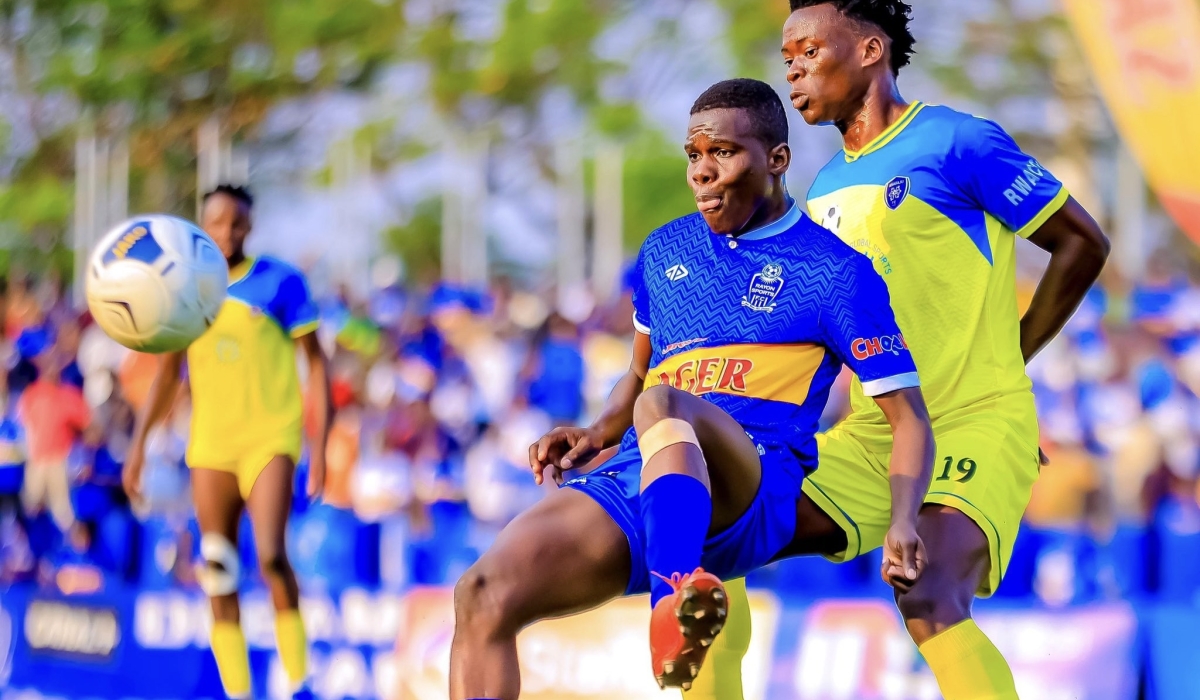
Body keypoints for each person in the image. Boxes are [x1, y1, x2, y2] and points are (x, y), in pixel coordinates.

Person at [449, 78, 935, 698]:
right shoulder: (664, 251)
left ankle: (674, 600)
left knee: (665, 404)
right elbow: (638, 374)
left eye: (722, 153)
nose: (702, 172)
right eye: (693, 155)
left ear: (777, 159)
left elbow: (909, 417)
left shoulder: (835, 272)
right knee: (481, 593)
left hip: (750, 481)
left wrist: (903, 521)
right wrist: (597, 431)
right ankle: (675, 593)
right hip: (645, 469)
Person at [690, 3, 1112, 700]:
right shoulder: (822, 192)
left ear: (869, 50)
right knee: (713, 524)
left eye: (809, 51)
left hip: (976, 421)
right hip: (873, 437)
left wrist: (1011, 358)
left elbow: (1082, 243)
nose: (792, 70)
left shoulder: (958, 142)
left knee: (927, 591)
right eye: (787, 58)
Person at [123, 184, 331, 700]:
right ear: (202, 226)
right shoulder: (185, 289)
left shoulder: (280, 281)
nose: (227, 232)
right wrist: (138, 446)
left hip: (270, 437)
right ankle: (238, 692)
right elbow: (167, 376)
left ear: (250, 226)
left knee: (271, 556)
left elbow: (317, 365)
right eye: (216, 222)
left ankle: (299, 682)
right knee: (218, 568)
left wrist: (320, 446)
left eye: (237, 222)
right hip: (212, 444)